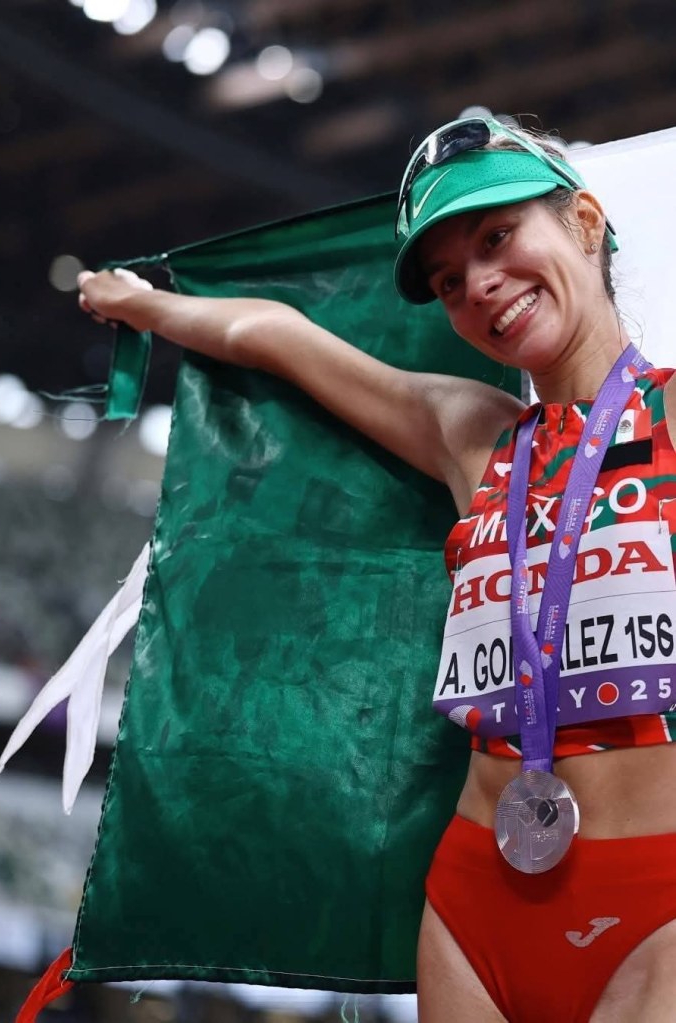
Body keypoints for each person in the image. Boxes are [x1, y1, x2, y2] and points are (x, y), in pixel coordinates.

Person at [77, 117, 676, 1022]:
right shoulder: (473, 439)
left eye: (496, 237)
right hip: (474, 904)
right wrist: (147, 307)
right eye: (447, 281)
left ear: (585, 223)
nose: (478, 285)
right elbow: (281, 338)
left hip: (655, 903)